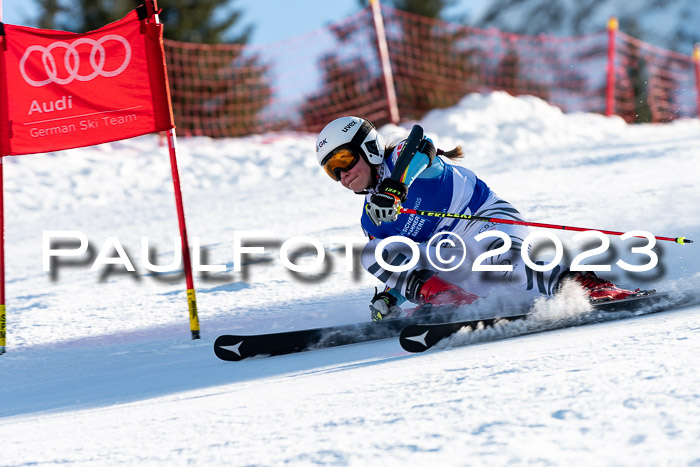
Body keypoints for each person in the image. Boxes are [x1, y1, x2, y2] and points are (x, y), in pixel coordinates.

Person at [315, 116, 638, 321]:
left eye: (344, 158)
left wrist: (396, 188)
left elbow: (423, 149)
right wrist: (389, 296)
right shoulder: (373, 218)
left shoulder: (399, 158)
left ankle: (581, 284)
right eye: (332, 169)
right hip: (452, 258)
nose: (342, 173)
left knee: (497, 256)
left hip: (484, 221)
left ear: (368, 147)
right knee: (374, 252)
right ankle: (448, 300)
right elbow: (400, 265)